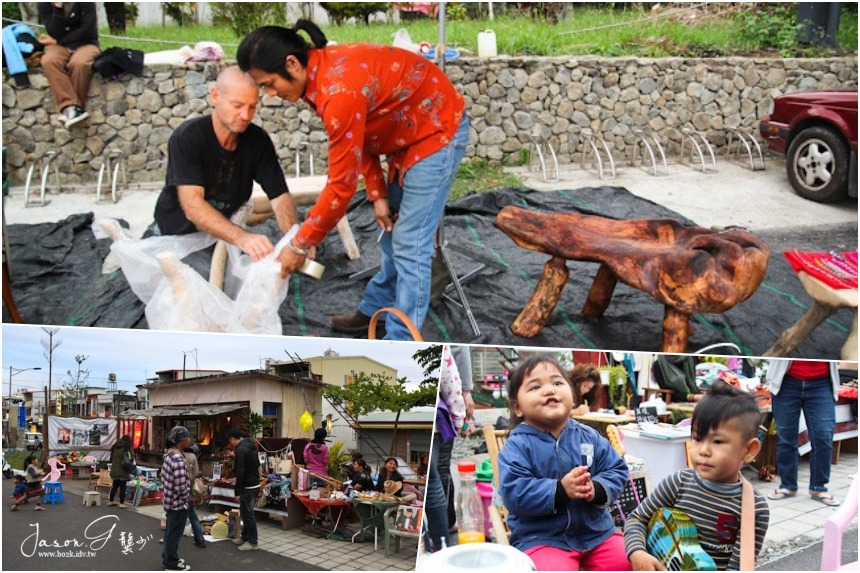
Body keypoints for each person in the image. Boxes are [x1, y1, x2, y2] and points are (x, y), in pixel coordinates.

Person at [237, 21, 470, 340]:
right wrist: (377, 193)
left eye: (269, 84)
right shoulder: (319, 75)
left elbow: (339, 190)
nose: (271, 95)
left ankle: (401, 343)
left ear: (292, 63)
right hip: (406, 133)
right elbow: (362, 134)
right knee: (392, 236)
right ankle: (376, 309)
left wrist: (300, 244)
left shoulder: (338, 91)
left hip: (436, 130)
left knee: (410, 242)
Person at [152, 65, 299, 262]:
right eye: (237, 106)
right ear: (215, 96)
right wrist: (242, 238)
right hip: (177, 236)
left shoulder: (258, 141)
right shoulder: (188, 137)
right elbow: (192, 206)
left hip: (223, 235)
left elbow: (279, 196)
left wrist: (296, 241)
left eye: (252, 106)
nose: (246, 116)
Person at [499, 356, 631, 571]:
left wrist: (596, 489)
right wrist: (560, 490)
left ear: (573, 396)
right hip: (541, 538)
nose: (549, 390)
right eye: (535, 387)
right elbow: (514, 492)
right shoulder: (518, 445)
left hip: (596, 532)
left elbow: (616, 469)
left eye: (558, 383)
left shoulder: (590, 436)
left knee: (627, 559)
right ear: (517, 408)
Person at [624, 381, 770, 570]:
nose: (703, 450)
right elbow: (637, 518)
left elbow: (738, 567)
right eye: (698, 438)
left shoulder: (754, 509)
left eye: (717, 441)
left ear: (749, 450)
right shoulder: (677, 483)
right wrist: (638, 553)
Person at [766, 359, 841, 506]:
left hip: (822, 382)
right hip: (786, 380)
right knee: (786, 436)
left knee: (823, 435)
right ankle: (787, 485)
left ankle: (818, 487)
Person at [37, 2, 100, 128]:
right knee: (49, 61)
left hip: (86, 43)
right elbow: (54, 31)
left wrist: (59, 40)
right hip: (60, 46)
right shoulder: (44, 4)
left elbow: (87, 30)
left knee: (79, 63)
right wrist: (57, 8)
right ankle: (70, 107)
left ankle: (74, 109)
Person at [161, 426, 192, 571]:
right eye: (188, 437)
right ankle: (170, 564)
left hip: (169, 501)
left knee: (169, 533)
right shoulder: (178, 459)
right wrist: (187, 499)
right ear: (182, 440)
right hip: (178, 504)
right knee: (174, 535)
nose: (189, 440)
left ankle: (168, 558)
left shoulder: (168, 456)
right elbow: (181, 486)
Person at [228, 427, 261, 551]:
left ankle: (253, 542)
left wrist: (237, 491)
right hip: (254, 483)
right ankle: (245, 536)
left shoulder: (241, 450)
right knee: (245, 512)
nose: (230, 444)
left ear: (233, 439)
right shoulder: (251, 446)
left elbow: (240, 472)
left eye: (230, 441)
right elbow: (257, 464)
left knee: (248, 514)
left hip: (248, 486)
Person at [182, 441, 206, 548]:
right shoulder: (192, 456)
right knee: (193, 516)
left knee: (175, 516)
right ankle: (200, 539)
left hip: (179, 490)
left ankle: (171, 539)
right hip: (190, 489)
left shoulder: (177, 455)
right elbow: (196, 473)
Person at [108, 434, 135, 508]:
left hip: (114, 470)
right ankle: (121, 503)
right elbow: (132, 458)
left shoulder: (115, 447)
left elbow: (111, 458)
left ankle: (111, 501)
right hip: (123, 470)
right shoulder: (127, 447)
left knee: (115, 486)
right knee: (123, 487)